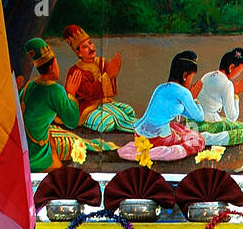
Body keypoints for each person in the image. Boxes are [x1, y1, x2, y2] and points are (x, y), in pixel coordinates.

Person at [19, 38, 113, 170]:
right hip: (37, 153)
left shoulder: (29, 85)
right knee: (76, 143)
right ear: (52, 67)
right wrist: (71, 93)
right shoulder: (54, 90)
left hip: (26, 147)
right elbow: (72, 121)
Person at [120, 50, 226, 162]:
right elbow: (199, 117)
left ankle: (161, 147)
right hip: (156, 139)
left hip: (139, 134)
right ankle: (165, 151)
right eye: (191, 77)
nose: (191, 81)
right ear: (185, 75)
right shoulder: (183, 92)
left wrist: (189, 101)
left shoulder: (161, 87)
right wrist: (195, 99)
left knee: (176, 126)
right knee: (199, 140)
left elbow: (180, 111)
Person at [61, 24, 136, 133]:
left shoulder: (101, 62)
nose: (91, 48)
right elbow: (89, 93)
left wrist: (112, 75)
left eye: (90, 43)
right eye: (85, 47)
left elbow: (111, 92)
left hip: (104, 103)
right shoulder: (75, 71)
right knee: (108, 122)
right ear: (78, 53)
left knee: (129, 111)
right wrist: (108, 75)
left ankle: (117, 118)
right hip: (86, 109)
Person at [195, 47, 243, 146]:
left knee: (226, 122)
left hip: (196, 120)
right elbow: (232, 117)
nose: (237, 75)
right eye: (238, 72)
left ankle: (204, 136)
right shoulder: (227, 84)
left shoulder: (207, 75)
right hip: (208, 123)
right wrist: (235, 96)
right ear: (231, 67)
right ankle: (207, 138)